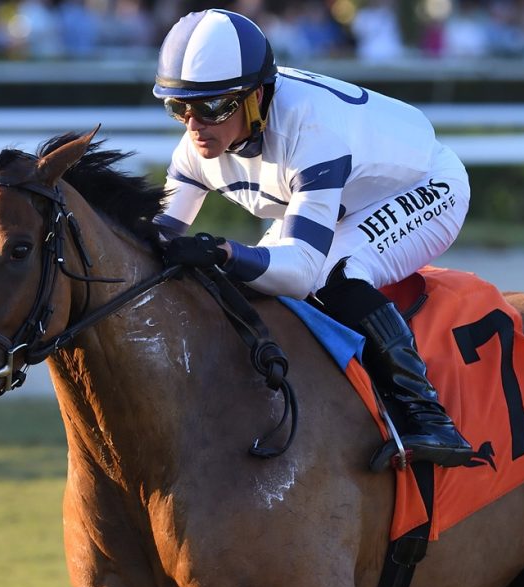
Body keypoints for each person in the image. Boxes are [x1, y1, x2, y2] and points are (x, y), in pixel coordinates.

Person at [153, 9, 473, 469]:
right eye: (178, 107)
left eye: (211, 107)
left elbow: (300, 270)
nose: (193, 124)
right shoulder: (197, 146)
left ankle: (427, 414)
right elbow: (158, 238)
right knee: (255, 280)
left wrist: (222, 252)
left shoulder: (309, 129)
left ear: (255, 97)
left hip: (424, 185)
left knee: (330, 273)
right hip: (347, 193)